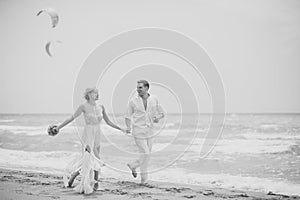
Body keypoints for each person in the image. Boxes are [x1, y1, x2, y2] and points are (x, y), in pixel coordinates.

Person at [50, 87, 126, 194]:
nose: (95, 94)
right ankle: (91, 181)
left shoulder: (101, 107)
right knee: (88, 157)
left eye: (96, 93)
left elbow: (108, 122)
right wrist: (59, 127)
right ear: (88, 94)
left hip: (97, 133)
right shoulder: (83, 106)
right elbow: (71, 118)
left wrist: (121, 129)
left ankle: (90, 179)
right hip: (88, 134)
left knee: (96, 158)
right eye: (92, 93)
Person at [125, 80, 165, 184]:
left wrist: (157, 118)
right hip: (138, 130)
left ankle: (144, 180)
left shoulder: (154, 99)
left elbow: (162, 113)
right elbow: (127, 116)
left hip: (150, 131)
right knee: (145, 153)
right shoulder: (133, 101)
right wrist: (128, 127)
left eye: (140, 87)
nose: (138, 89)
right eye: (137, 87)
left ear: (147, 88)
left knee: (146, 156)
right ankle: (133, 164)